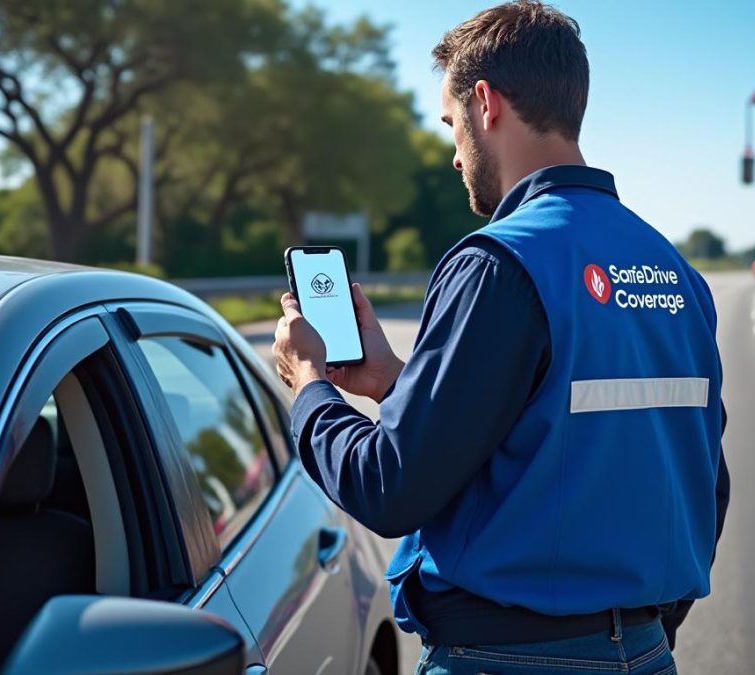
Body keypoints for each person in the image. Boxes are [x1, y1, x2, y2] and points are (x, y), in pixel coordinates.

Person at [272, 2, 729, 673]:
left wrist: (309, 383)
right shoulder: (676, 270)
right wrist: (398, 383)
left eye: (451, 125)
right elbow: (699, 483)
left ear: (485, 103)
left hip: (501, 658)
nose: (455, 155)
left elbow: (389, 487)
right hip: (646, 654)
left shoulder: (498, 262)